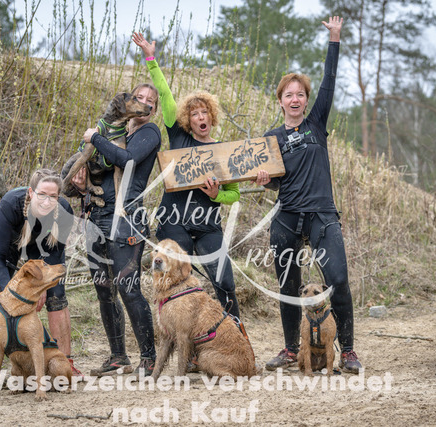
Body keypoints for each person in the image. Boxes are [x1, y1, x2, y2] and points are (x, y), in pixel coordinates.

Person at [255, 16, 362, 373]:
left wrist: (335, 39)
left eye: (300, 94)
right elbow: (275, 181)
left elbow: (329, 82)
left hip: (321, 215)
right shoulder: (271, 139)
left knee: (338, 280)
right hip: (286, 217)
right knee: (288, 284)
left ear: (305, 100)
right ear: (280, 101)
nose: (295, 99)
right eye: (289, 94)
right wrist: (265, 181)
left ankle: (348, 351)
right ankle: (291, 349)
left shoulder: (316, 123)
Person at [132, 32, 242, 321]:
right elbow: (164, 94)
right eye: (194, 114)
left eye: (204, 112)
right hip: (174, 221)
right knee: (177, 280)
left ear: (211, 116)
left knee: (225, 281)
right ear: (187, 120)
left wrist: (217, 194)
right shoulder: (179, 137)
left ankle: (235, 330)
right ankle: (179, 333)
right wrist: (150, 58)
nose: (200, 117)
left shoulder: (224, 152)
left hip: (207, 225)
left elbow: (234, 195)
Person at [62, 83, 161, 376]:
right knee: (104, 290)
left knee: (129, 288)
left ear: (154, 108)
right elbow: (94, 169)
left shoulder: (149, 133)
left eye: (151, 101)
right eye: (139, 97)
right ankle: (118, 356)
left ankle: (149, 358)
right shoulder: (115, 132)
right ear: (126, 103)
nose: (145, 103)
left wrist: (94, 137)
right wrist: (80, 187)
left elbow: (126, 161)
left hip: (126, 217)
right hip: (97, 216)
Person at [0, 169, 79, 392]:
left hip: (41, 246)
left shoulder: (63, 212)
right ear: (31, 192)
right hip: (2, 244)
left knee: (57, 297)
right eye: (42, 194)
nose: (47, 201)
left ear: (59, 197)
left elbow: (54, 255)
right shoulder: (11, 204)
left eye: (53, 196)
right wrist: (11, 293)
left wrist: (42, 287)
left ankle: (66, 362)